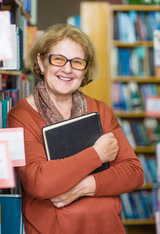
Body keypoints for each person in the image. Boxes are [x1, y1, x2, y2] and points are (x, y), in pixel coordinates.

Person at [7, 23, 144, 234]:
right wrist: (97, 154)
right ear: (41, 62)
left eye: (77, 62)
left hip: (108, 228)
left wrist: (84, 186)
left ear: (85, 70)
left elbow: (134, 173)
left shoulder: (101, 110)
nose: (68, 69)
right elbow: (39, 182)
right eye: (58, 59)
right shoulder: (20, 116)